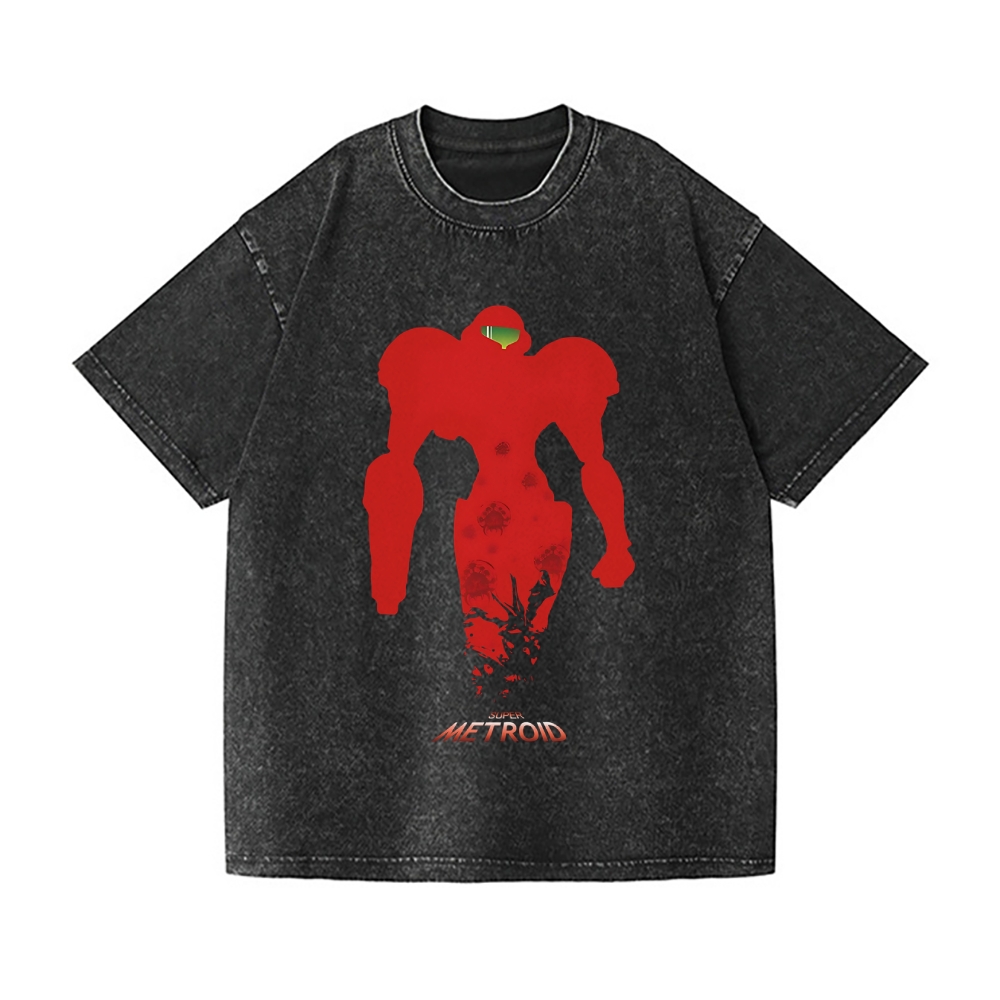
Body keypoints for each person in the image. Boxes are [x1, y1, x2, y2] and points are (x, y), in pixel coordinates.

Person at [364, 304, 634, 701]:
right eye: (492, 337)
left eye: (507, 339)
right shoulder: (463, 378)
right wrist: (388, 585)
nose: (500, 347)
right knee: (491, 632)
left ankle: (512, 694)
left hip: (528, 516)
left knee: (522, 631)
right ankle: (504, 693)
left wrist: (618, 544)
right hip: (495, 518)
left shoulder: (540, 377)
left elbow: (594, 462)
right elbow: (395, 469)